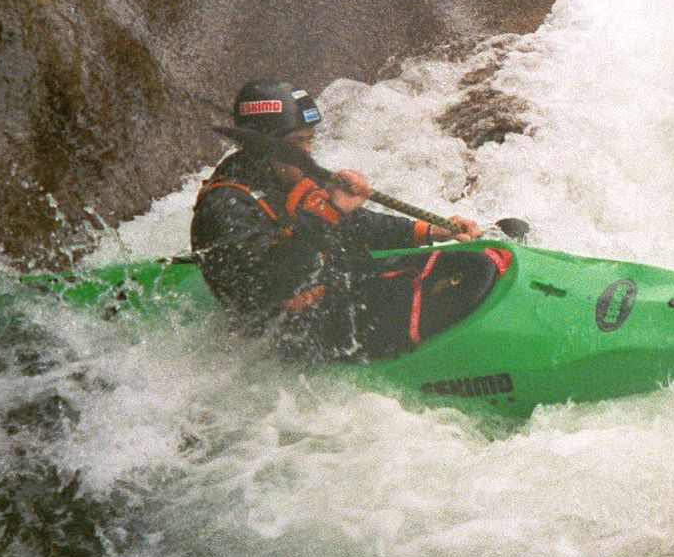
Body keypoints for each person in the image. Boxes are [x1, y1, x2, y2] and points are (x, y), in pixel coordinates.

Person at [189, 78, 491, 361]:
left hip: (329, 294)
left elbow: (353, 226)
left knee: (484, 257)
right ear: (261, 147)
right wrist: (326, 215)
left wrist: (428, 231)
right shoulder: (224, 206)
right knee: (474, 273)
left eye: (309, 140)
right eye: (296, 143)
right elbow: (268, 286)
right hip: (293, 331)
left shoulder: (281, 176)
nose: (307, 153)